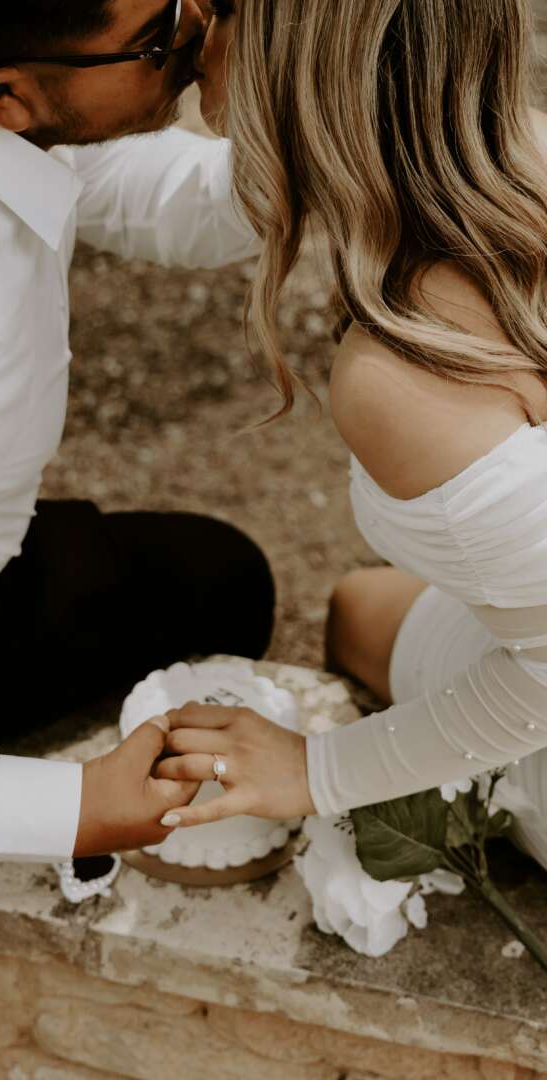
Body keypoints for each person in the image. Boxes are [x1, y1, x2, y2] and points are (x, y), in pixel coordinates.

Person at [0, 0, 276, 866]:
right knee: (223, 594)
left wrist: (329, 149)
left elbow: (106, 174)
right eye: (160, 36)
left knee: (215, 576)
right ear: (4, 96)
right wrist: (59, 810)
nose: (199, 23)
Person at [157, 0, 547, 872]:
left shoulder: (402, 376)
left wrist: (317, 771)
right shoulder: (520, 149)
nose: (191, 22)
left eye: (223, 8)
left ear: (300, 63)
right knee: (355, 611)